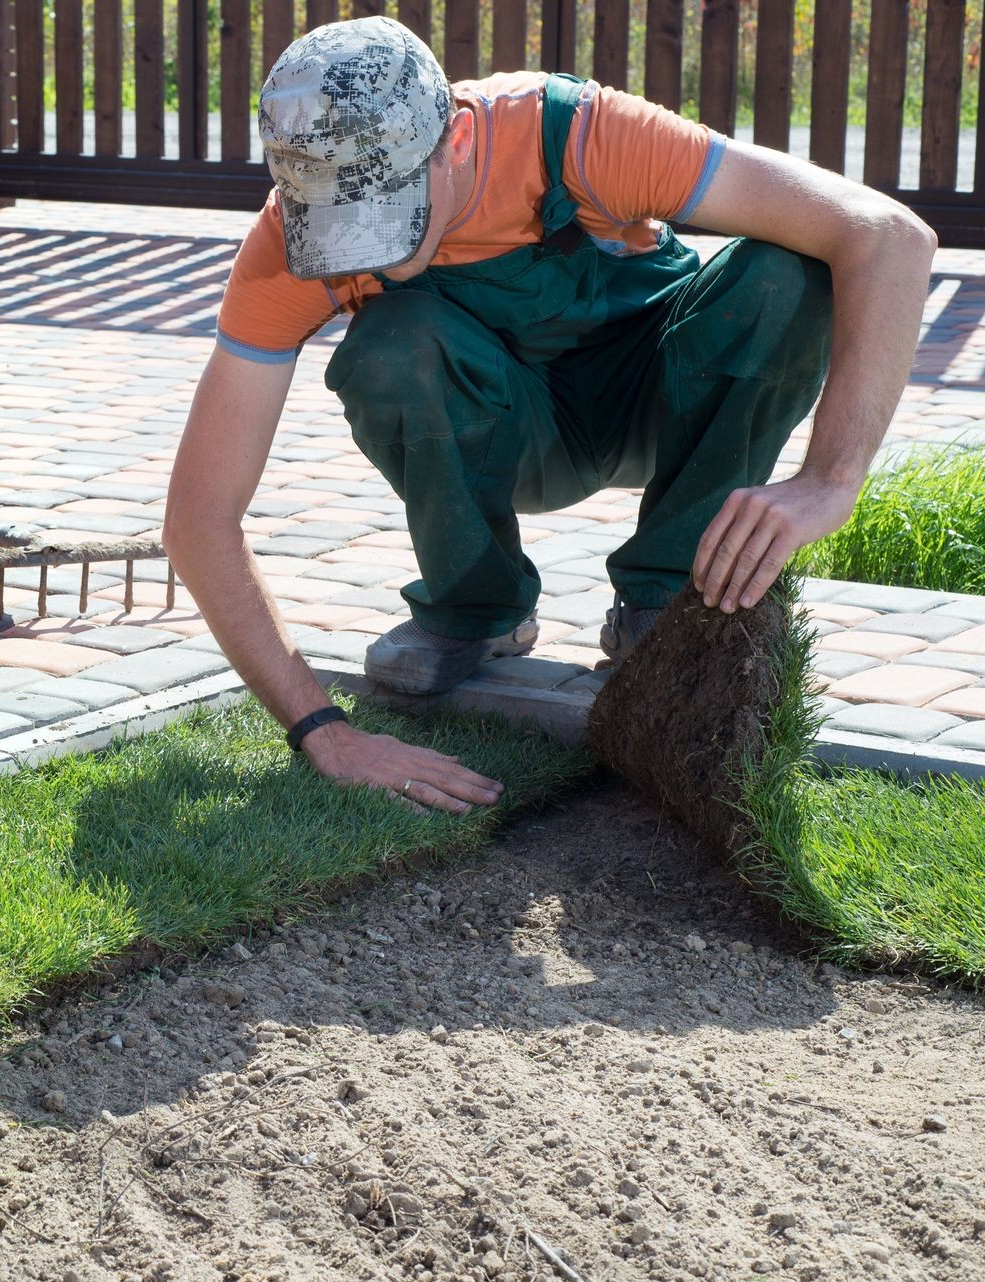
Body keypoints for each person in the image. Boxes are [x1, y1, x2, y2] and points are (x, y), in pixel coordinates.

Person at [162, 16, 936, 816]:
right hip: (512, 434)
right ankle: (476, 610)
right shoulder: (288, 245)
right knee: (389, 345)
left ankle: (667, 604)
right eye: (342, 230)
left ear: (456, 143)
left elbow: (890, 237)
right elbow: (197, 519)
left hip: (657, 400)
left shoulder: (577, 134)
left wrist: (831, 479)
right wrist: (325, 730)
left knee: (787, 273)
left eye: (391, 216)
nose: (374, 254)